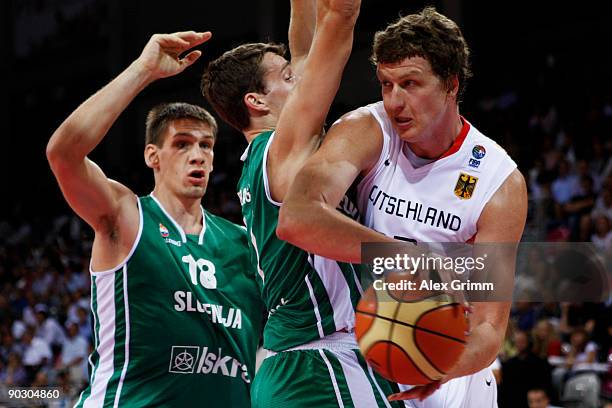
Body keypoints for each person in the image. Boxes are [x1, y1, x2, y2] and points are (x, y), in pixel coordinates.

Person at [279, 6, 528, 407]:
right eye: (386, 84)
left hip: (450, 360)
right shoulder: (367, 130)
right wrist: (415, 260)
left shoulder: (499, 183)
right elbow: (296, 218)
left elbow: (488, 326)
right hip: (371, 347)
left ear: (451, 84)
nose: (395, 101)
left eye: (410, 83)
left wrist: (441, 367)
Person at [202, 1, 404, 406]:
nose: (304, 75)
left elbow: (305, 47)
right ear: (257, 102)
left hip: (302, 364)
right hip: (319, 365)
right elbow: (341, 16)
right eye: (289, 77)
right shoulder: (281, 148)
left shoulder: (271, 158)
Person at [47, 30, 263, 407]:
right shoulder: (126, 216)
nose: (197, 156)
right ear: (152, 156)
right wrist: (143, 70)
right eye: (182, 144)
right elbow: (64, 153)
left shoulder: (245, 242)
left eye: (206, 146)